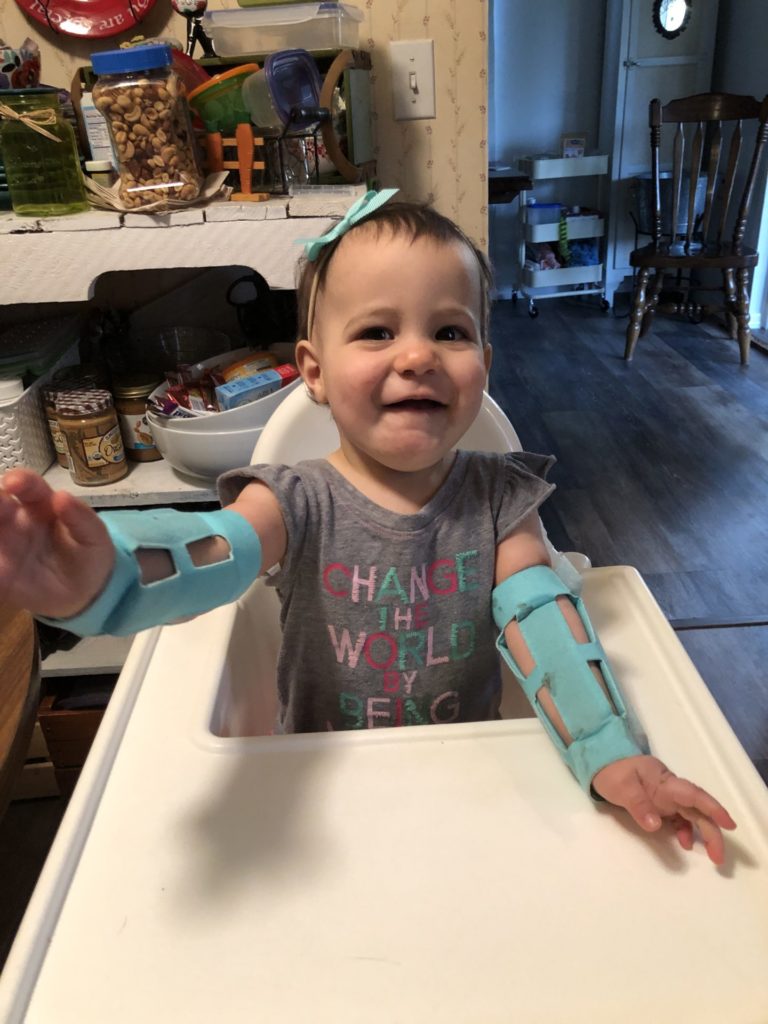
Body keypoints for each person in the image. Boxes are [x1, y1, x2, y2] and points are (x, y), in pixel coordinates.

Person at [0, 191, 735, 864]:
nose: (417, 356)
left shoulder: (500, 498)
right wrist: (111, 577)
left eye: (450, 331)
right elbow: (215, 555)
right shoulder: (294, 498)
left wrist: (612, 753)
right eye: (378, 331)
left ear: (485, 361)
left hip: (472, 778)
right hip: (325, 796)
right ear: (314, 372)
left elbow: (540, 615)